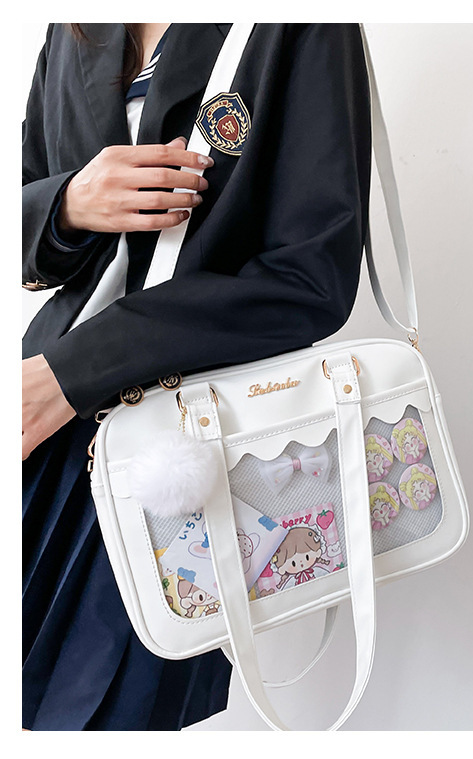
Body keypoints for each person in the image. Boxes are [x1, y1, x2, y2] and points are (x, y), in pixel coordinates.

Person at [22, 22, 371, 731]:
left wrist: (71, 374)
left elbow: (310, 279)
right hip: (38, 424)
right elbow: (28, 220)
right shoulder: (73, 28)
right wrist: (67, 205)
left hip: (177, 453)